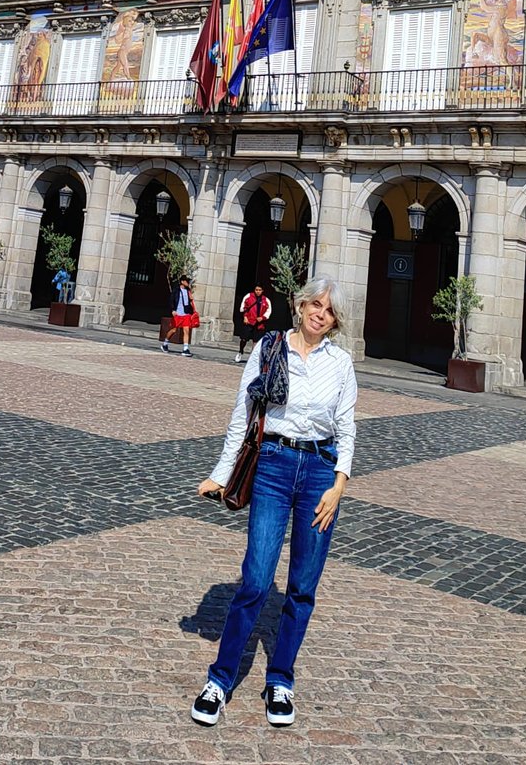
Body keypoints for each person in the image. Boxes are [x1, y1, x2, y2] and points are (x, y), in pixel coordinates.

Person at [192, 275, 357, 728]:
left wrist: (339, 484)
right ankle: (220, 680)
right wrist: (220, 474)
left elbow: (346, 428)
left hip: (320, 474)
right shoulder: (269, 350)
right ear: (301, 305)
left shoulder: (341, 364)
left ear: (335, 321)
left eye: (329, 311)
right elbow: (241, 417)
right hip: (272, 466)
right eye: (315, 305)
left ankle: (280, 679)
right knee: (257, 579)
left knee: (303, 586)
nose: (320, 314)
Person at [161, 276, 198, 357]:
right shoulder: (176, 291)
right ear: (182, 281)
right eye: (186, 281)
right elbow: (171, 300)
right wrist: (173, 310)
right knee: (174, 330)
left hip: (186, 314)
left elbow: (190, 303)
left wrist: (191, 300)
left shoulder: (188, 291)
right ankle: (165, 343)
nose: (188, 283)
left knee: (186, 330)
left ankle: (185, 349)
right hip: (178, 313)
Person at [235, 284, 272, 363]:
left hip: (259, 323)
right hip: (249, 321)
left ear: (262, 291)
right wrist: (245, 317)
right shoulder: (248, 296)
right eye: (256, 290)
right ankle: (240, 351)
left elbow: (268, 311)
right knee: (244, 338)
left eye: (259, 290)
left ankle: (252, 357)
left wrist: (263, 318)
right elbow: (243, 308)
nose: (258, 292)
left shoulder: (266, 300)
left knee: (256, 341)